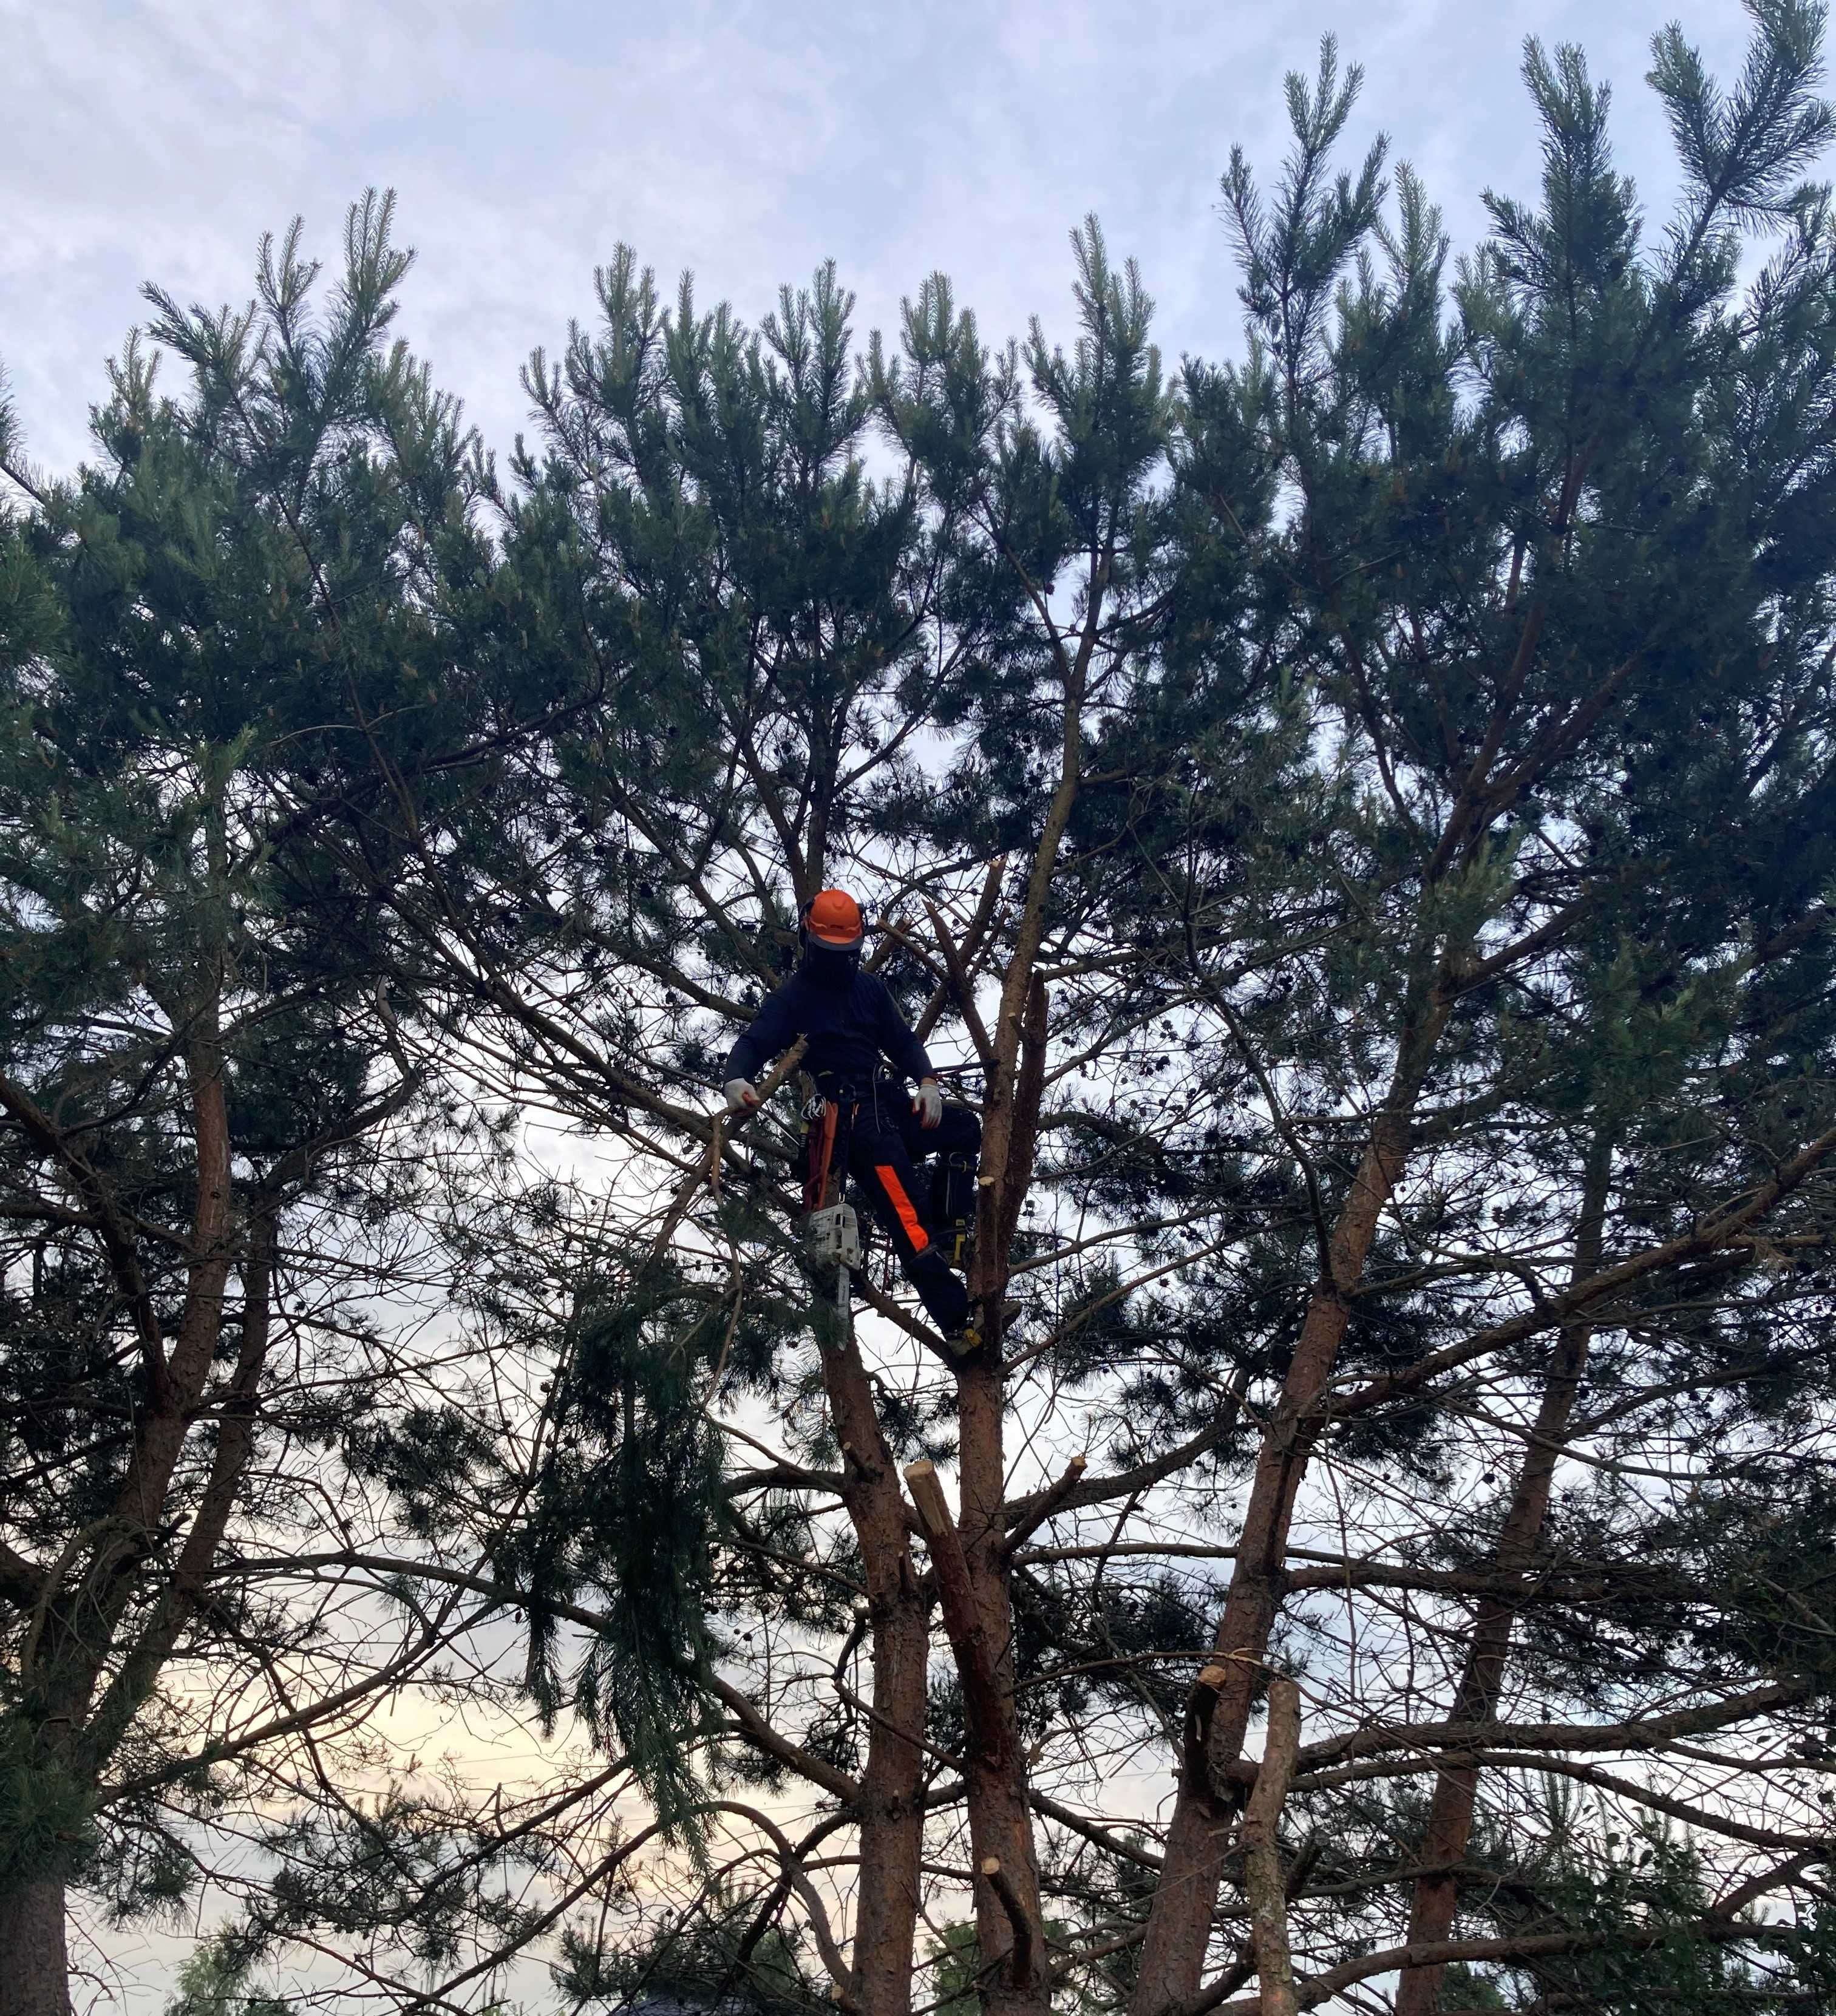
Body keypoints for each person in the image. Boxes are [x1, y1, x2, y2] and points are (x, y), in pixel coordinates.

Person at [723, 888, 984, 1347]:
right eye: (831, 953)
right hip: (854, 1124)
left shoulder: (869, 990)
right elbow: (755, 1041)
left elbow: (902, 1041)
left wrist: (926, 1081)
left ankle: (951, 1231)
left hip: (888, 1103)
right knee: (908, 1218)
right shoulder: (796, 997)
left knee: (965, 1131)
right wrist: (737, 1078)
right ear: (810, 940)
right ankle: (959, 1322)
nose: (839, 962)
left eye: (846, 954)